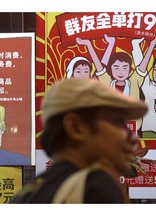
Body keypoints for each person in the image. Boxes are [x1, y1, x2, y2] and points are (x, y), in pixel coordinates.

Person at [9, 78, 148, 203]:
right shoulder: (94, 185)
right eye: (118, 122)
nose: (134, 138)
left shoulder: (23, 196)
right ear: (75, 127)